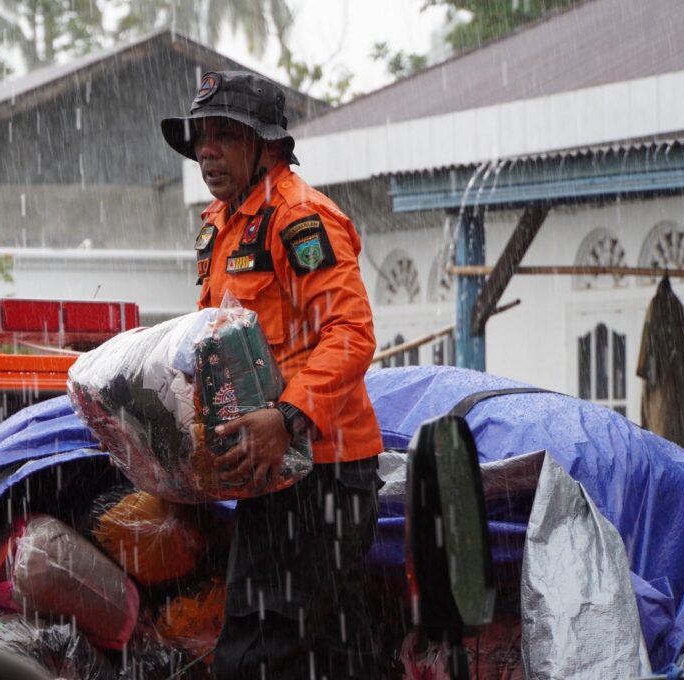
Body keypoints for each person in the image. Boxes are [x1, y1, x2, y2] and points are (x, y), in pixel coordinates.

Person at [161, 71, 384, 679]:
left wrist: (286, 418)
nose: (208, 151)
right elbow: (215, 339)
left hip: (322, 472)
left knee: (256, 654)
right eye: (202, 136)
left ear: (267, 145)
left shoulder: (301, 217)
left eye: (226, 135)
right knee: (334, 652)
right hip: (272, 470)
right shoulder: (220, 224)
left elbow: (351, 333)